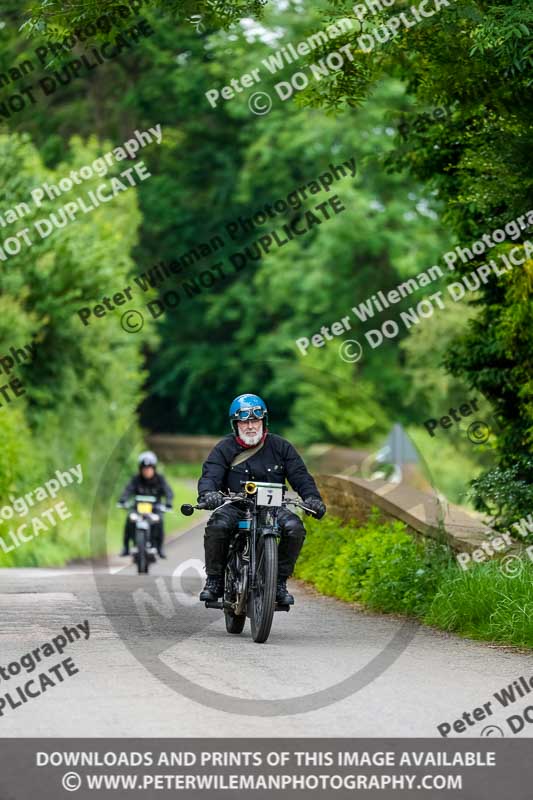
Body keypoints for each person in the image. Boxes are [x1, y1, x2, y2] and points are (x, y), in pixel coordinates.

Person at [198, 393, 326, 605]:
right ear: (236, 424)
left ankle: (278, 583)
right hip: (237, 506)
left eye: (255, 420)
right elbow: (210, 474)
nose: (250, 426)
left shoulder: (281, 447)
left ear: (263, 421)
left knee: (294, 528)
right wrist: (208, 494)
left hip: (272, 508)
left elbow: (300, 476)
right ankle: (215, 580)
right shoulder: (224, 448)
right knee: (217, 525)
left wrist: (313, 498)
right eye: (245, 421)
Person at [118, 451, 173, 558]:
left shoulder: (160, 479)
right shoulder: (136, 479)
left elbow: (168, 492)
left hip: (155, 508)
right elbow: (127, 490)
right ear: (140, 469)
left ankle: (159, 547)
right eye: (144, 469)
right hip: (137, 507)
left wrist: (168, 503)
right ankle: (126, 547)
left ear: (154, 469)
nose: (147, 471)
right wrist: (123, 500)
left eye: (149, 468)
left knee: (159, 521)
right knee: (129, 519)